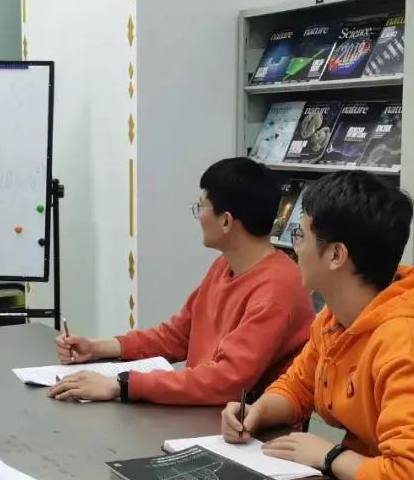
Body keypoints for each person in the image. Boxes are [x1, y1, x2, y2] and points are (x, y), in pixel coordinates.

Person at [221, 171, 414, 480]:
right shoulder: (336, 317)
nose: (294, 247)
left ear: (336, 255)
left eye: (301, 235)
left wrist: (328, 455)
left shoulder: (408, 344)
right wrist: (258, 411)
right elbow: (299, 385)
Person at [50, 158, 313, 405]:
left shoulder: (275, 291)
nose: (197, 215)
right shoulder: (225, 265)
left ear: (226, 221)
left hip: (246, 428)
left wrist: (121, 385)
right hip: (206, 414)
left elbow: (226, 380)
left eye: (201, 207)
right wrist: (96, 348)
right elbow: (176, 336)